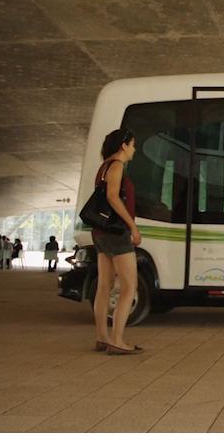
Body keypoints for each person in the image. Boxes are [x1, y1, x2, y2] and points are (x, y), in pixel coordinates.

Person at [90, 128, 144, 355]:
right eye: (132, 144)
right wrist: (132, 226)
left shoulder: (103, 167)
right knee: (129, 287)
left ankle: (102, 338)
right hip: (116, 233)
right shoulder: (117, 166)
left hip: (101, 233)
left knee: (104, 287)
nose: (134, 149)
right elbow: (112, 196)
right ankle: (117, 340)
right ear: (123, 145)